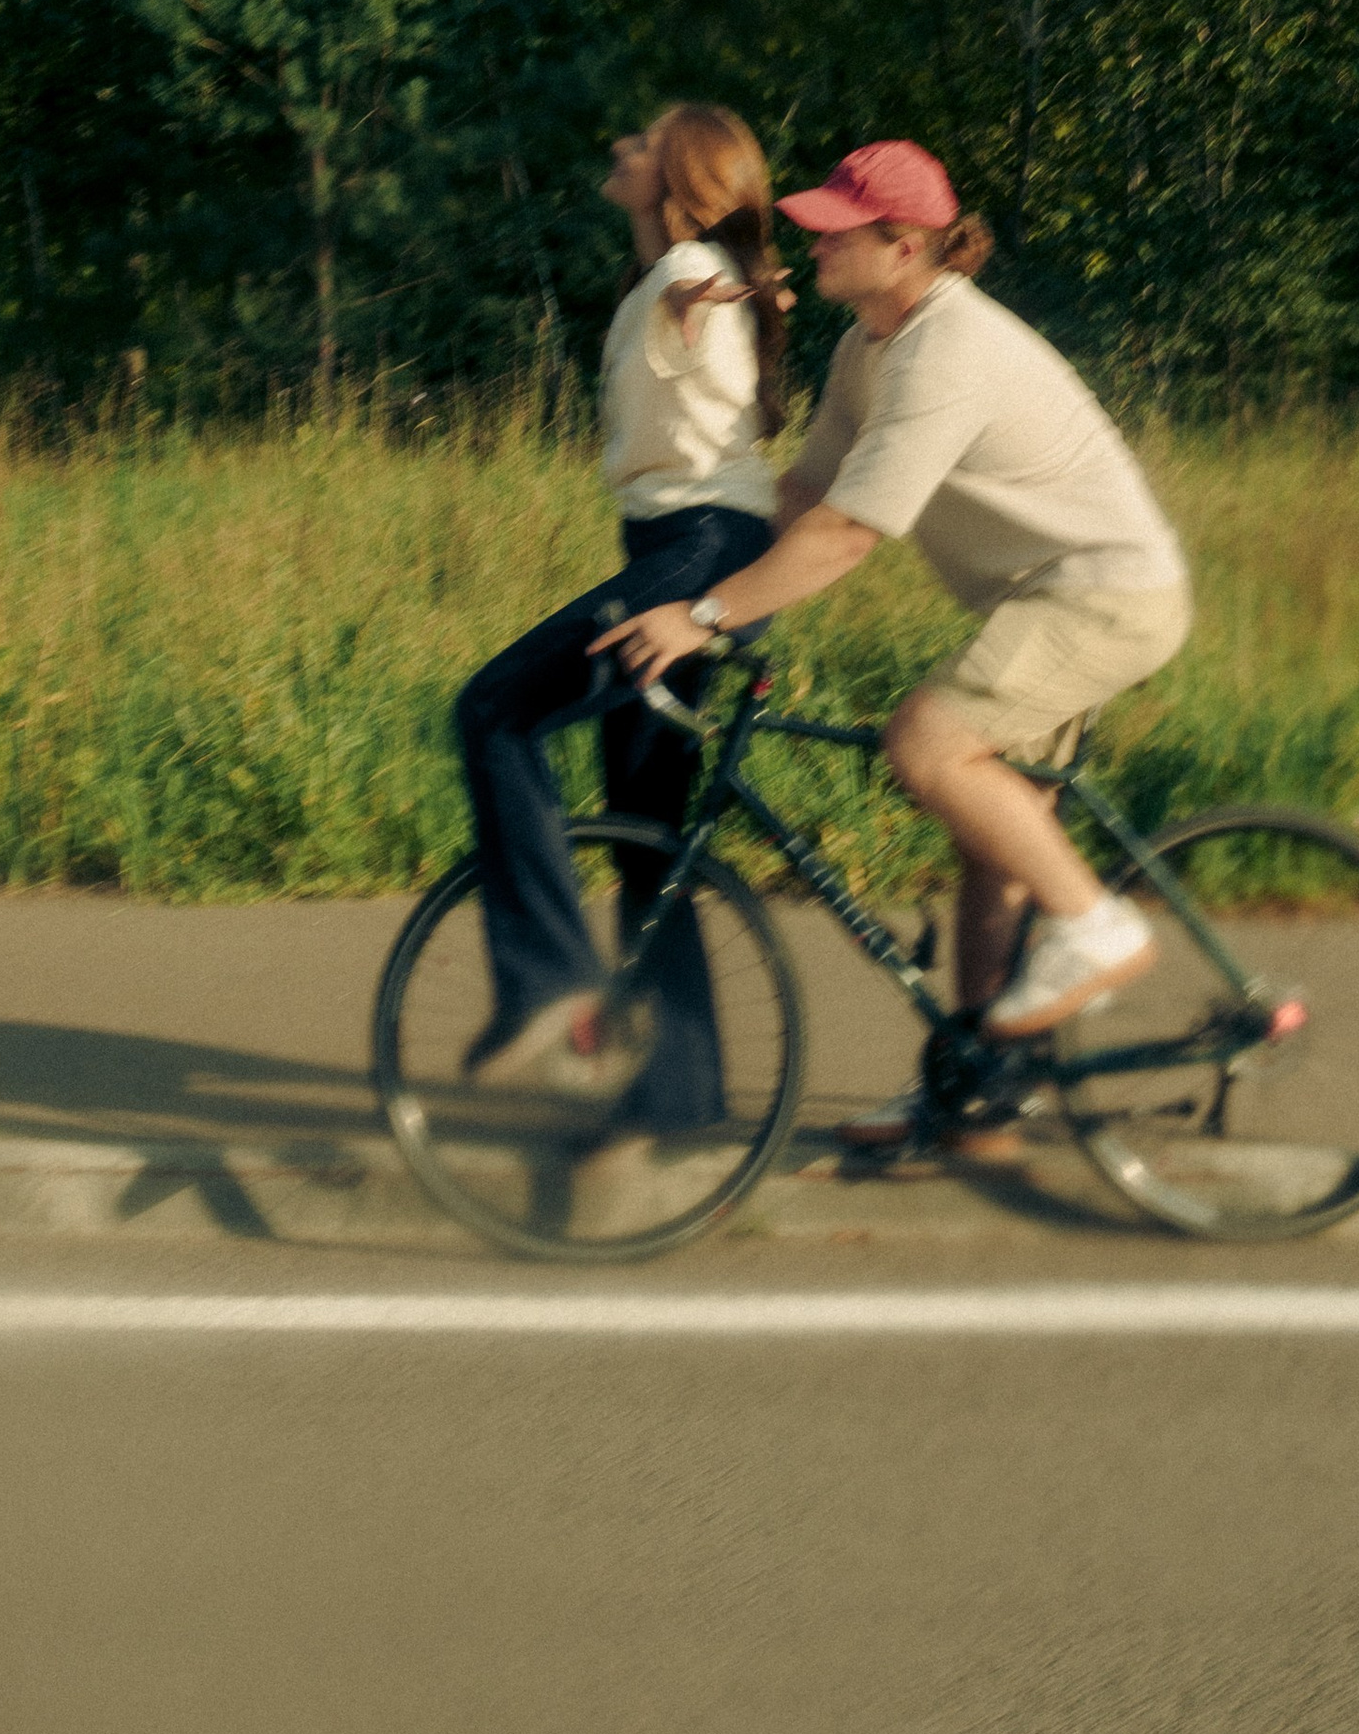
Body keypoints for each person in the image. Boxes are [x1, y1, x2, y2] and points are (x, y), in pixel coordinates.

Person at [603, 137, 1190, 1161]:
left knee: (924, 742)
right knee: (991, 847)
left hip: (1101, 595)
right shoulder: (866, 346)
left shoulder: (946, 349)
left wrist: (703, 619)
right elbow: (803, 497)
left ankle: (1097, 927)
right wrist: (706, 589)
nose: (810, 237)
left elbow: (849, 534)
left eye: (837, 226)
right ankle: (978, 1096)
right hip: (1039, 598)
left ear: (906, 245)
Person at [452, 103, 786, 1127]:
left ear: (680, 180)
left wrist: (743, 282)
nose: (618, 148)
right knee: (649, 835)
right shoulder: (664, 278)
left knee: (492, 715)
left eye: (640, 144)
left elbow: (710, 283)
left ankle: (548, 982)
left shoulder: (688, 275)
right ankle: (681, 1100)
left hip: (696, 553)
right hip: (683, 549)